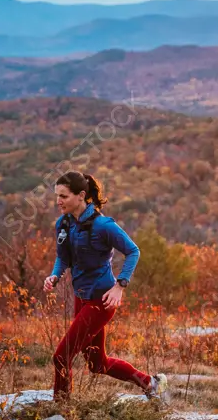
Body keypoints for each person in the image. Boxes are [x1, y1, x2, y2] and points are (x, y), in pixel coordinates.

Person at [43, 171, 167, 402]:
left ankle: (61, 409)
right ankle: (151, 383)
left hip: (102, 300)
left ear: (81, 196)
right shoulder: (64, 223)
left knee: (61, 357)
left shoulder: (103, 225)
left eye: (64, 196)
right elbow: (63, 258)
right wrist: (54, 276)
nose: (58, 201)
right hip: (81, 298)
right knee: (97, 364)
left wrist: (120, 286)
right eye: (57, 196)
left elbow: (133, 251)